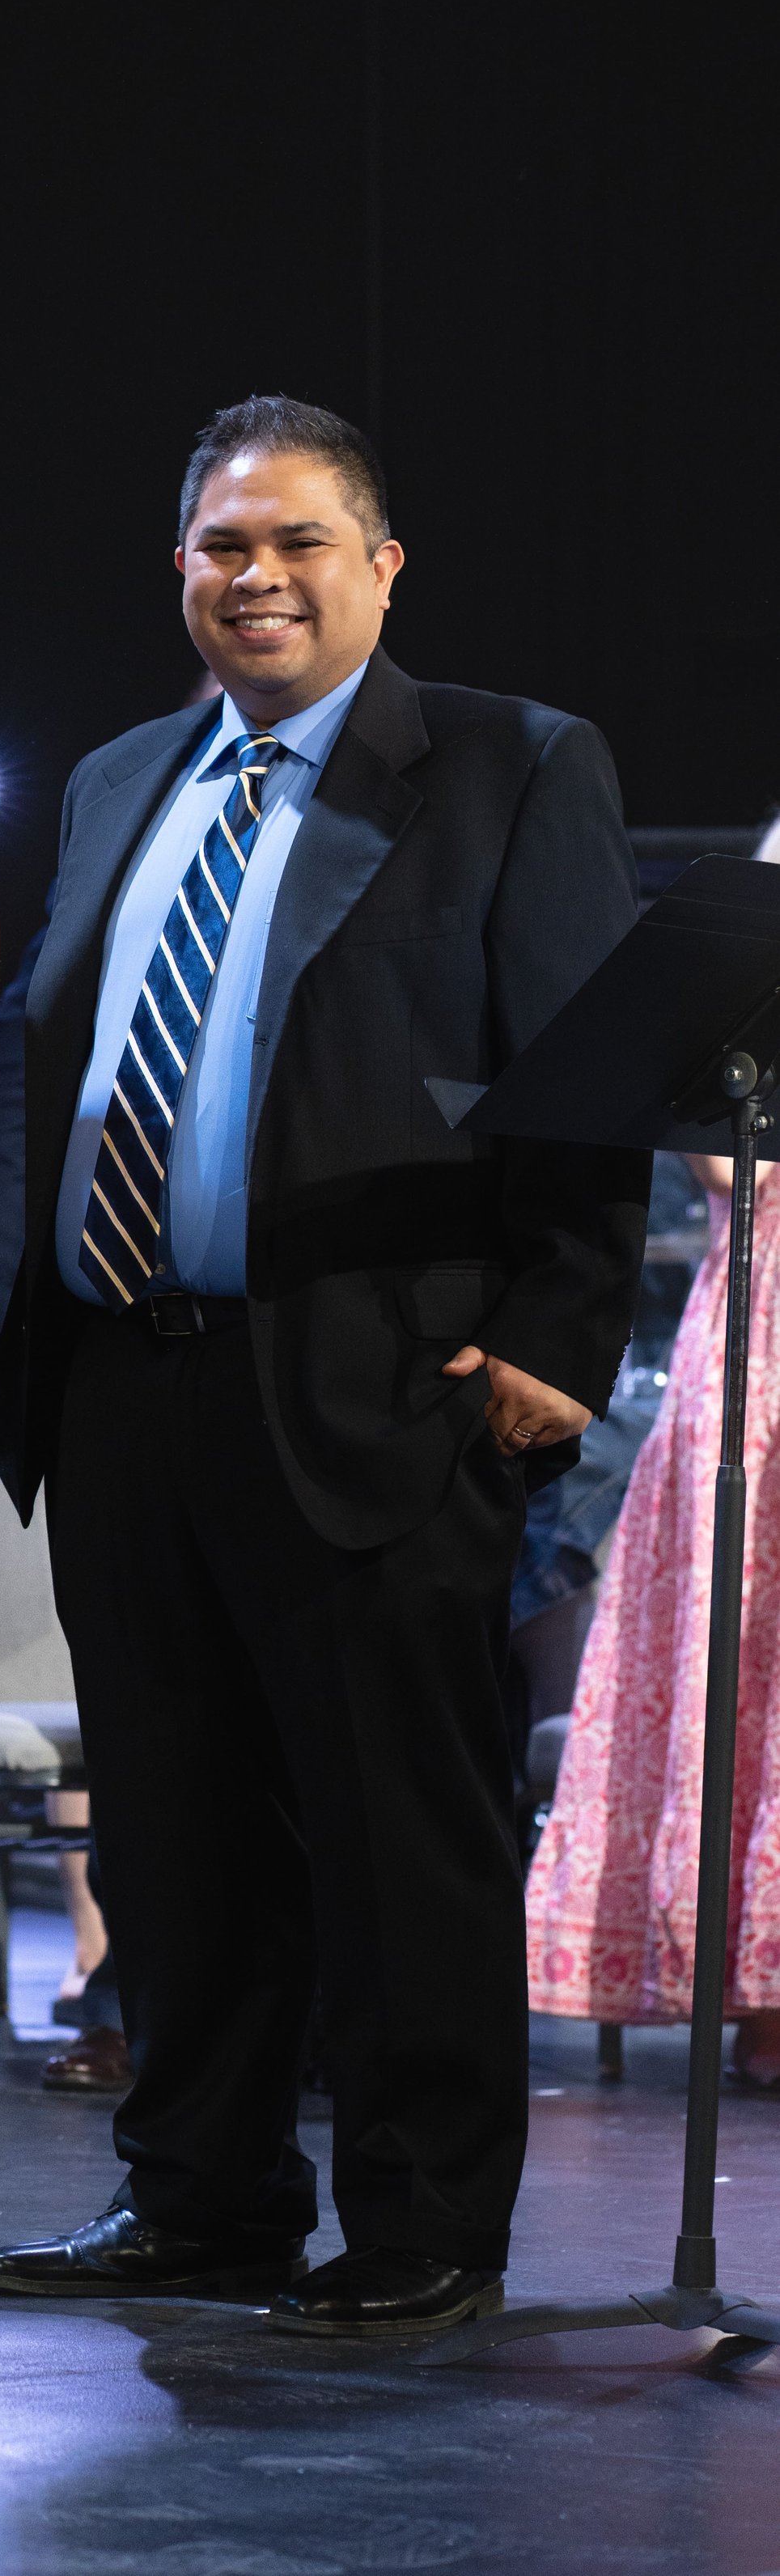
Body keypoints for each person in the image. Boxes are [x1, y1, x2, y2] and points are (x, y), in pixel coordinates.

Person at [0, 394, 649, 2337]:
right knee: (176, 1839)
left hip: (378, 1378)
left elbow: (585, 1071)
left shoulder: (508, 766)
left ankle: (427, 2221)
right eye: (215, 548)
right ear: (174, 570)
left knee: (390, 1835)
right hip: (124, 1381)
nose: (251, 578)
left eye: (291, 543)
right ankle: (200, 2199)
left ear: (379, 566)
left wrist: (547, 1344)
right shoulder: (115, 780)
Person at [526, 820, 780, 2078]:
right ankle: (759, 1977)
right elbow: (692, 1108)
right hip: (768, 1306)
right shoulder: (763, 891)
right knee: (753, 1613)